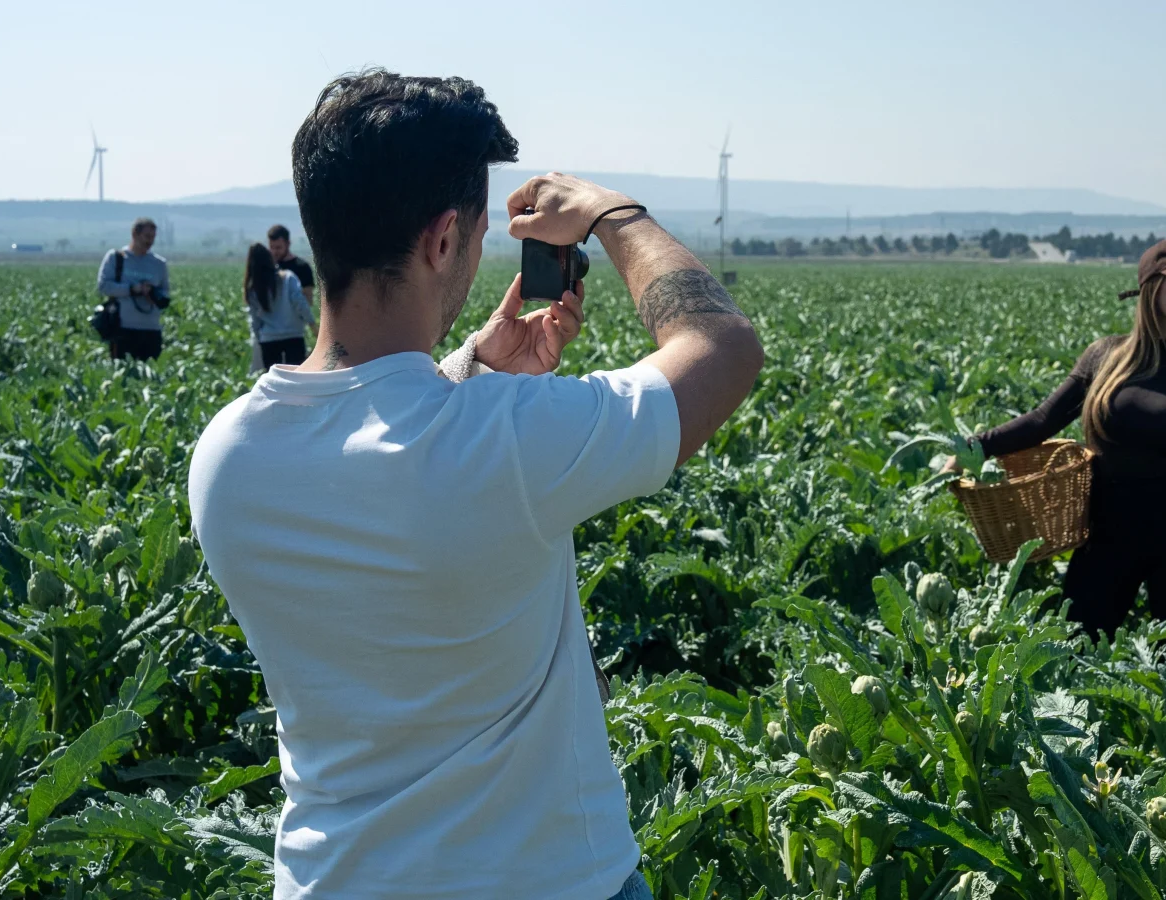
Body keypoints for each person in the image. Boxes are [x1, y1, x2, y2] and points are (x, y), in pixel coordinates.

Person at [187, 69, 762, 900]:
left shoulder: (225, 457)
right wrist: (614, 215)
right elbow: (723, 347)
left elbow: (377, 445)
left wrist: (468, 369)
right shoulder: (511, 439)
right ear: (444, 240)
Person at [951, 239, 1166, 642]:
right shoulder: (1105, 358)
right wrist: (975, 447)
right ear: (1151, 288)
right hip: (1105, 535)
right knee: (1073, 653)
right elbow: (1043, 420)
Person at [95, 218, 171, 361]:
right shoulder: (116, 258)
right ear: (135, 235)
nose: (150, 241)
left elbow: (165, 292)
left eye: (153, 237)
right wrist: (132, 289)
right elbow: (104, 286)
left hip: (151, 329)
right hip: (123, 329)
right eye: (147, 237)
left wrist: (154, 295)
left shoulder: (159, 264)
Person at [243, 242, 316, 369]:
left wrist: (260, 339)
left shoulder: (253, 289)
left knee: (275, 385)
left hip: (268, 341)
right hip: (294, 337)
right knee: (296, 382)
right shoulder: (288, 278)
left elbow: (255, 321)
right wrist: (313, 325)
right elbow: (301, 304)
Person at [267, 224, 315, 306]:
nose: (274, 252)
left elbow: (308, 300)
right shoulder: (268, 267)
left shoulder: (302, 267)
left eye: (278, 247)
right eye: (272, 247)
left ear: (288, 244)